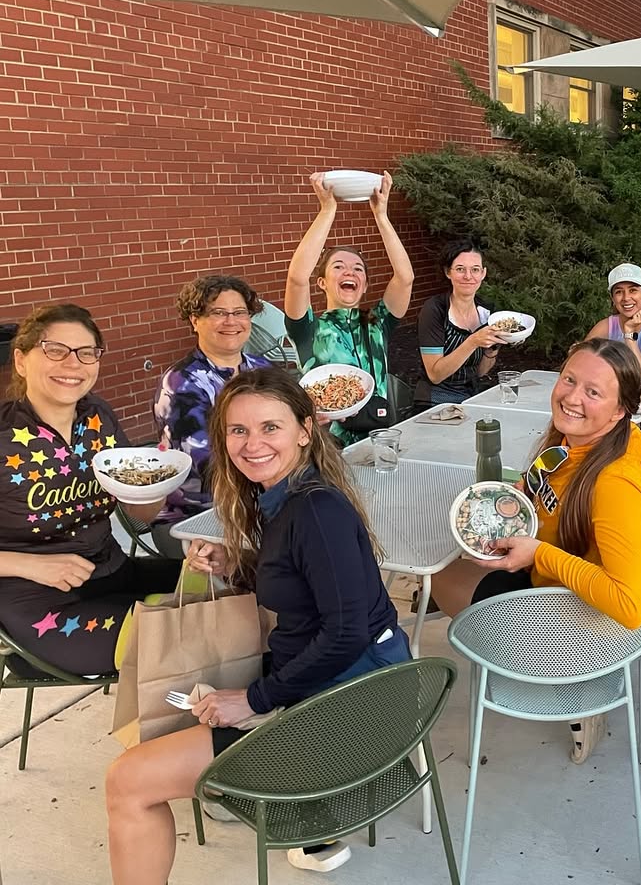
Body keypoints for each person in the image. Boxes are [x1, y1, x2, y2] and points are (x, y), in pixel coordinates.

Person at [105, 367, 410, 882]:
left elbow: (345, 633)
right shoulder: (287, 497)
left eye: (270, 427)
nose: (252, 444)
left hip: (346, 718)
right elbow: (309, 584)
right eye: (238, 431)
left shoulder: (315, 509)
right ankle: (244, 788)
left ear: (305, 429)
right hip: (344, 692)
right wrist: (239, 565)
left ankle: (274, 798)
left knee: (127, 782)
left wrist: (254, 699)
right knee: (183, 705)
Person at [431, 338, 641, 763]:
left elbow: (631, 605)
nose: (572, 396)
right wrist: (521, 499)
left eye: (593, 392)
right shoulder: (573, 441)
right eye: (569, 379)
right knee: (453, 561)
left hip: (578, 627)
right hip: (557, 587)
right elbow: (547, 495)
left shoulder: (615, 482)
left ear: (620, 409)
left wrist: (538, 554)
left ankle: (575, 691)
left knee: (439, 579)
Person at [0, 305, 181, 675]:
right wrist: (31, 564)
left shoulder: (97, 415)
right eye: (55, 349)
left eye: (86, 352)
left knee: (237, 588)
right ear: (21, 360)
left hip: (113, 573)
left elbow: (137, 512)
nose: (73, 364)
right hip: (41, 606)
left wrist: (155, 488)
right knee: (187, 642)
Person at [284, 171, 414, 445]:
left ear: (365, 284)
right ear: (321, 282)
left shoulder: (378, 322)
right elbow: (297, 277)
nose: (350, 272)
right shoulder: (308, 328)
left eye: (358, 269)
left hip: (379, 438)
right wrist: (327, 210)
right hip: (328, 446)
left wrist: (381, 216)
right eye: (338, 267)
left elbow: (405, 278)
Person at [150, 275, 274, 557]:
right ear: (195, 320)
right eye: (218, 313)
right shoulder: (181, 383)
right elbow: (208, 468)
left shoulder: (262, 369)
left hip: (262, 502)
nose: (231, 322)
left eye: (240, 312)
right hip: (199, 516)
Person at [416, 238, 504, 406]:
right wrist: (473, 341)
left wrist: (493, 348)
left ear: (483, 273)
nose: (468, 276)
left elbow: (480, 372)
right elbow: (435, 375)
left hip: (472, 397)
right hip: (435, 401)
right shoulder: (435, 310)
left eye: (475, 269)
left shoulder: (486, 311)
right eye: (460, 269)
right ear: (448, 272)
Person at [585, 263, 641, 380]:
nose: (626, 298)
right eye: (619, 292)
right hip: (608, 386)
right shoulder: (606, 325)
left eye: (633, 290)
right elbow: (580, 358)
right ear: (612, 298)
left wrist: (629, 334)